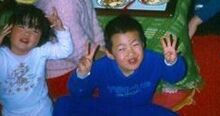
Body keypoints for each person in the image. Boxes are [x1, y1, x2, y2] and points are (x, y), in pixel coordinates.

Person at [53, 14, 187, 116]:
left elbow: (175, 76)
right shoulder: (101, 66)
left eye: (135, 45)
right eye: (122, 49)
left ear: (143, 44)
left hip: (140, 110)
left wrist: (171, 62)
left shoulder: (153, 59)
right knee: (64, 104)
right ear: (110, 53)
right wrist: (82, 75)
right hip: (107, 110)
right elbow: (79, 93)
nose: (131, 53)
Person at [0, 5, 73, 116]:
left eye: (35, 31)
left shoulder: (40, 51)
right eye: (21, 27)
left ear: (40, 38)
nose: (27, 33)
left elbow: (65, 50)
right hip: (11, 112)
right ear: (8, 31)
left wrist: (59, 29)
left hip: (40, 108)